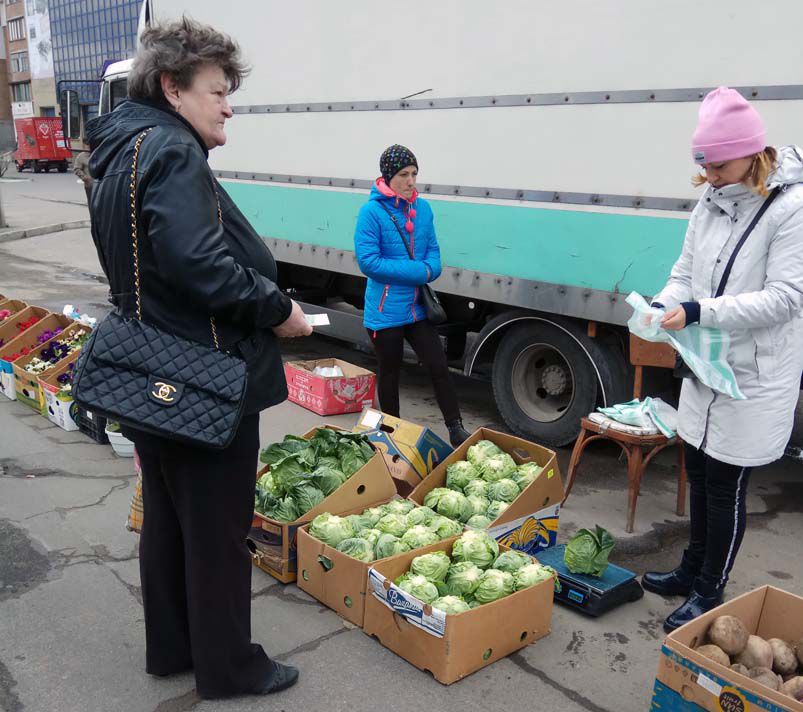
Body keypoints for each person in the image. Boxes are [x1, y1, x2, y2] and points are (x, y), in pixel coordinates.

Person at [84, 18, 311, 699]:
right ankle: (229, 667)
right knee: (215, 533)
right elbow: (200, 266)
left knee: (169, 521)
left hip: (149, 369)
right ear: (171, 87)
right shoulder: (172, 151)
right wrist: (279, 310)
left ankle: (175, 647)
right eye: (216, 90)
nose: (228, 104)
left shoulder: (121, 149)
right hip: (201, 379)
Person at [642, 87, 803, 632]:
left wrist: (696, 312)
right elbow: (684, 271)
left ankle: (711, 589)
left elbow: (787, 298)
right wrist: (664, 304)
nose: (709, 176)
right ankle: (690, 569)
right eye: (704, 166)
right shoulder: (710, 202)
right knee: (697, 466)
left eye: (719, 165)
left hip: (753, 374)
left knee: (724, 485)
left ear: (752, 154)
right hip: (706, 365)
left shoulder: (791, 208)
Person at [354, 145, 470, 447]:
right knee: (390, 374)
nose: (411, 181)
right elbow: (370, 263)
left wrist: (427, 270)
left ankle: (456, 428)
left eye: (414, 174)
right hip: (384, 312)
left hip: (418, 310)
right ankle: (392, 434)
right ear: (388, 177)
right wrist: (419, 272)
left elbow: (434, 257)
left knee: (438, 366)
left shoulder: (424, 209)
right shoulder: (372, 213)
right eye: (404, 175)